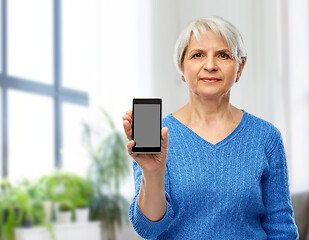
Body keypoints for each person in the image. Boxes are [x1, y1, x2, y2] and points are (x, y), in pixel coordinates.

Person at [122, 16, 298, 239]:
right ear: (182, 68)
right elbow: (149, 229)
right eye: (198, 55)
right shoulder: (159, 135)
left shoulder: (266, 136)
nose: (210, 66)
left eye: (223, 55)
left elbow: (281, 227)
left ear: (240, 67)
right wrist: (152, 172)